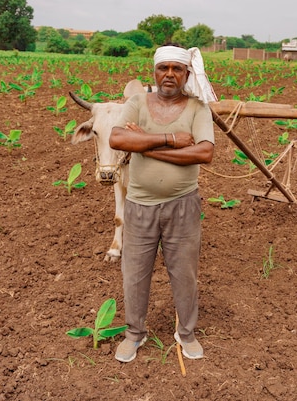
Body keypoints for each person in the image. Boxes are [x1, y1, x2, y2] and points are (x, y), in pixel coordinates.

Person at [109, 44, 217, 363]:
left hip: (182, 205)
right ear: (154, 71)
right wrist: (170, 140)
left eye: (177, 69)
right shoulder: (137, 102)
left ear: (186, 74)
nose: (169, 74)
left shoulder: (198, 108)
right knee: (135, 273)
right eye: (163, 68)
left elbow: (204, 152)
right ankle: (134, 334)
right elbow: (117, 139)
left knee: (184, 273)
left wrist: (144, 143)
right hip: (139, 204)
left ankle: (186, 333)